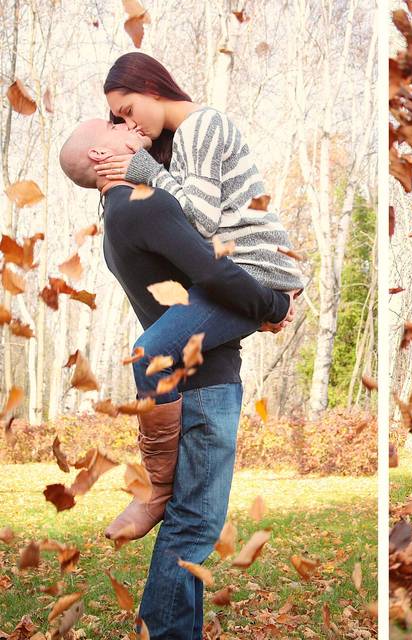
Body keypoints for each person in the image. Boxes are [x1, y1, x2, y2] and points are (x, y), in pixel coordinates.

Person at [59, 118, 292, 638]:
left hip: (186, 382)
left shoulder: (118, 224)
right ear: (100, 156)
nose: (127, 125)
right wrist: (273, 305)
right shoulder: (149, 204)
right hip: (205, 386)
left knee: (189, 523)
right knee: (194, 526)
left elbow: (194, 299)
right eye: (112, 125)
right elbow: (213, 273)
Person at [86, 52, 304, 540]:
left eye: (127, 109)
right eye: (118, 119)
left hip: (258, 271)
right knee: (153, 354)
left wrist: (142, 168)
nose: (129, 123)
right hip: (242, 274)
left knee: (151, 354)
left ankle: (157, 490)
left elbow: (201, 221)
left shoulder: (202, 124)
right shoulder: (181, 141)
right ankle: (161, 488)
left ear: (150, 85)